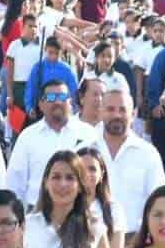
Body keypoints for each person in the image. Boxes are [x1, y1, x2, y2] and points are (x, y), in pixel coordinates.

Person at [6, 75, 99, 205]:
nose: (57, 102)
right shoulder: (28, 137)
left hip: (79, 212)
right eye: (51, 98)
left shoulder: (88, 134)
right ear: (41, 104)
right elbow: (14, 184)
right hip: (37, 213)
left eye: (62, 97)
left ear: (70, 102)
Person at [94, 87, 165, 229]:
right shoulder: (85, 150)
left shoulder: (148, 154)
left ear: (133, 114)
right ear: (101, 112)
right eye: (110, 109)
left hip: (134, 241)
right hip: (91, 239)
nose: (117, 115)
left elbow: (159, 201)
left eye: (122, 110)